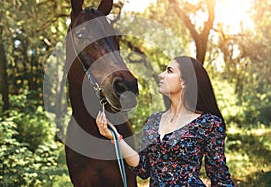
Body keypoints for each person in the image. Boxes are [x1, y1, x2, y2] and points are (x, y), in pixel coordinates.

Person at [96, 56, 235, 186]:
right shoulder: (154, 121)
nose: (161, 75)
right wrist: (115, 138)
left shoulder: (208, 123)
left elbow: (219, 176)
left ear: (185, 81)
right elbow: (143, 169)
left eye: (169, 71)